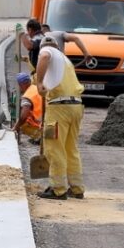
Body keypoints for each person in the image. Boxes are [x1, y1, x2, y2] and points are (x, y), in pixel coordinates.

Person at [35, 35, 85, 200]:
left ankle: (58, 189)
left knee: (54, 147)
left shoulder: (47, 51)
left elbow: (43, 56)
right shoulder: (65, 60)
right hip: (76, 106)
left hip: (59, 107)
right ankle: (77, 188)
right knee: (71, 148)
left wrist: (40, 82)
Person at [14, 72, 42, 144]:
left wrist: (16, 127)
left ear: (21, 84)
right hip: (50, 119)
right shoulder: (36, 88)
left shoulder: (27, 96)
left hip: (42, 123)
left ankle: (40, 136)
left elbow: (23, 117)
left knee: (23, 124)